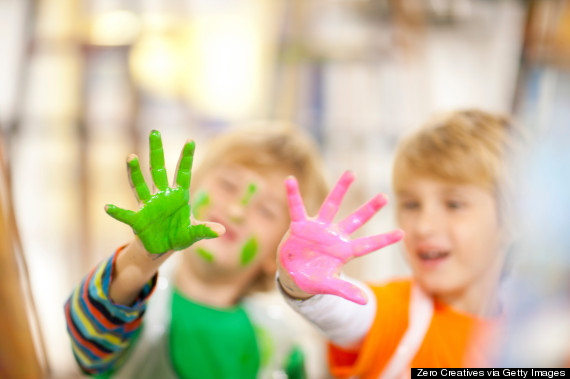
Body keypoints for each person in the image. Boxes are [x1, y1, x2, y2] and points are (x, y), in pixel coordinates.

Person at [64, 125, 329, 378]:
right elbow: (88, 337)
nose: (236, 211)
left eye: (266, 211)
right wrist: (143, 256)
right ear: (193, 188)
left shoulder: (283, 348)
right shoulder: (133, 306)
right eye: (228, 185)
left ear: (282, 253)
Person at [277, 110, 520, 378]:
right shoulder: (396, 312)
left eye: (454, 204)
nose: (424, 226)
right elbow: (346, 315)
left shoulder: (536, 333)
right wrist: (300, 280)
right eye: (411, 204)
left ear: (514, 218)